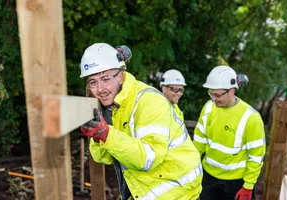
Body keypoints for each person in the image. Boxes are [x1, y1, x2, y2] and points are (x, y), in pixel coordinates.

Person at [79, 43, 203, 200]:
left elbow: (148, 158)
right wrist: (98, 136)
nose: (99, 89)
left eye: (105, 79)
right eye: (93, 82)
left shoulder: (149, 101)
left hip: (178, 192)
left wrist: (107, 134)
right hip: (145, 190)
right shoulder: (112, 106)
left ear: (121, 77)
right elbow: (103, 157)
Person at [192, 65, 266, 200]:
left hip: (236, 184)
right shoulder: (208, 108)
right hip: (208, 178)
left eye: (217, 95)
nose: (213, 98)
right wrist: (190, 169)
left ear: (231, 91)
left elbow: (256, 156)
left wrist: (248, 186)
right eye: (210, 93)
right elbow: (198, 143)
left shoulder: (251, 118)